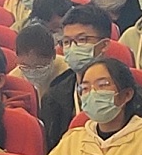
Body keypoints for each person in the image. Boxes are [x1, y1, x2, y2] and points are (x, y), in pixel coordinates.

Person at [42, 8, 115, 141]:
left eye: (82, 40)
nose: (73, 47)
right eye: (66, 42)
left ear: (104, 45)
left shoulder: (125, 88)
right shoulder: (54, 96)